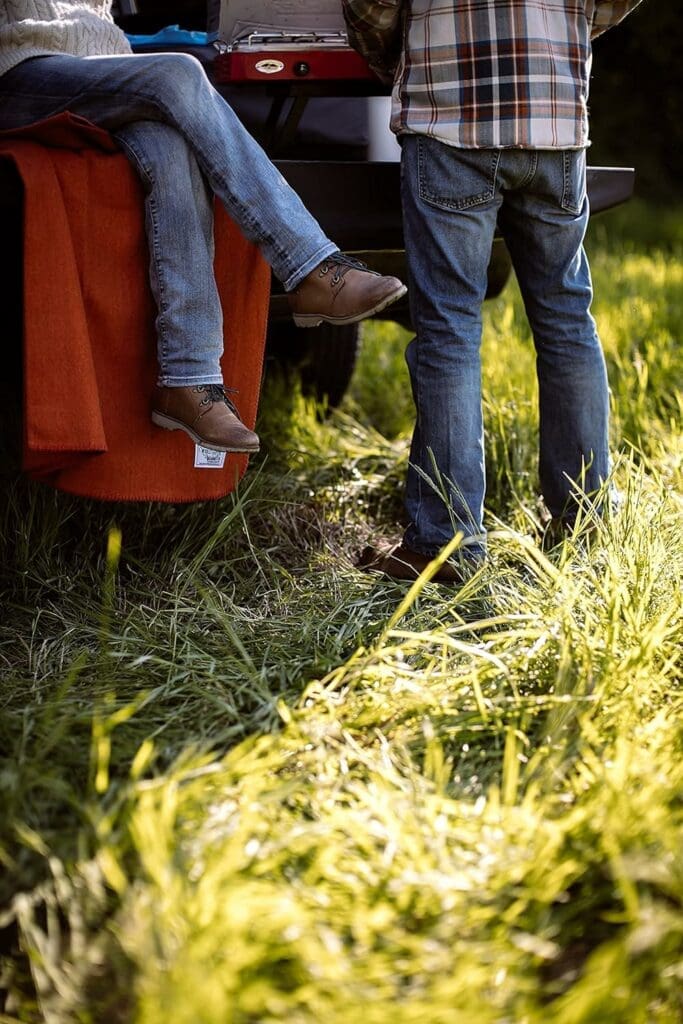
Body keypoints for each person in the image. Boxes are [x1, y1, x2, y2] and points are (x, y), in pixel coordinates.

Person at [0, 1, 407, 454]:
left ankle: (189, 377)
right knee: (180, 74)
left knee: (169, 144)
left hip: (102, 67)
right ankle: (310, 265)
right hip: (21, 69)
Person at [344, 0, 644, 582]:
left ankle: (447, 546)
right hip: (553, 116)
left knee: (450, 330)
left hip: (450, 112)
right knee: (566, 320)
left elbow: (372, 5)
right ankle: (583, 529)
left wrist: (395, 54)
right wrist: (568, 31)